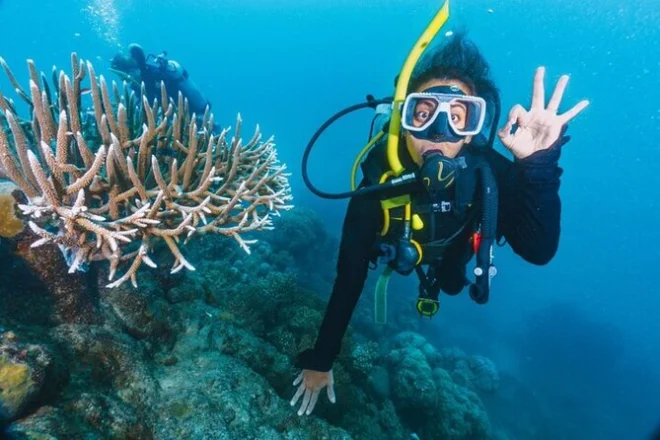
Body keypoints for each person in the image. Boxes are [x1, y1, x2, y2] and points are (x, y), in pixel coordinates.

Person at [290, 31, 589, 416]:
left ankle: (439, 278)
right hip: (400, 248)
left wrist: (538, 166)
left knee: (450, 282)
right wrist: (322, 358)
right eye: (423, 113)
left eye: (458, 117)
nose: (439, 131)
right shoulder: (378, 185)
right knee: (427, 272)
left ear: (473, 129)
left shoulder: (486, 173)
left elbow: (539, 249)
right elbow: (349, 277)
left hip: (454, 253)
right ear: (403, 118)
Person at [110, 43, 211, 117]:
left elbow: (153, 103)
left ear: (133, 71)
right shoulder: (142, 80)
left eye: (123, 76)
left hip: (187, 113)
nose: (124, 80)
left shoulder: (153, 77)